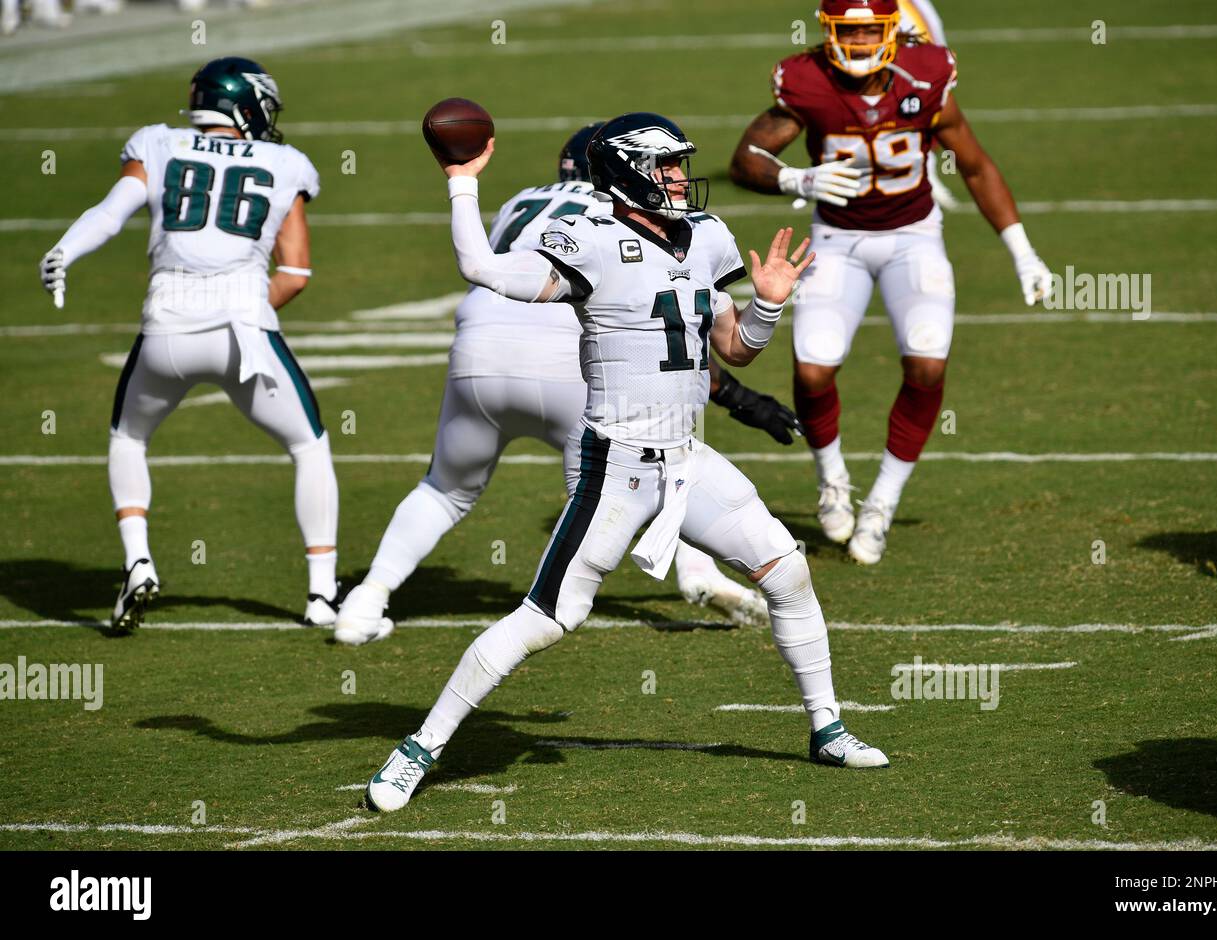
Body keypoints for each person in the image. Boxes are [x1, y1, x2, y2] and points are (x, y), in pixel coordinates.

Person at [365, 113, 890, 812]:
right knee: (546, 618)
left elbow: (734, 350)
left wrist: (766, 304)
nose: (680, 175)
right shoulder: (588, 239)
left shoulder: (705, 236)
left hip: (686, 455)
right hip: (614, 463)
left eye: (679, 163)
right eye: (667, 164)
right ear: (625, 171)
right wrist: (462, 183)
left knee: (786, 570)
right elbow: (480, 268)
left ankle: (827, 727)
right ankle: (420, 747)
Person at [334, 123, 802, 644]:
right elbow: (673, 334)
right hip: (568, 362)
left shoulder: (523, 200)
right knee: (668, 458)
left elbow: (492, 270)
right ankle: (697, 574)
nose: (674, 178)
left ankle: (365, 599)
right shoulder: (635, 224)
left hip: (479, 354)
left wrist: (461, 182)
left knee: (445, 489)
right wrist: (739, 396)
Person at [729, 0, 1053, 565]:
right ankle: (832, 478)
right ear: (828, 32)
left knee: (927, 364)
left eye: (867, 31)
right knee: (812, 367)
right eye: (846, 31)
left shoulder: (925, 74)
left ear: (892, 32)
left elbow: (974, 164)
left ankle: (881, 501)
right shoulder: (807, 80)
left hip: (914, 237)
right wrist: (795, 177)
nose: (856, 43)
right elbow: (746, 158)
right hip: (836, 241)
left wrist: (1022, 252)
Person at [38, 56, 340, 631]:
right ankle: (322, 594)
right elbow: (296, 272)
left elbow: (109, 213)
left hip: (165, 325)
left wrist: (64, 251)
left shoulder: (158, 143)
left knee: (129, 437)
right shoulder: (283, 161)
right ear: (247, 105)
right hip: (243, 333)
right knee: (309, 446)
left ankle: (138, 557)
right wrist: (244, 309)